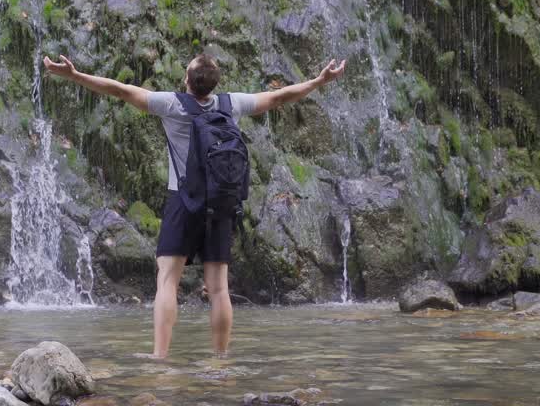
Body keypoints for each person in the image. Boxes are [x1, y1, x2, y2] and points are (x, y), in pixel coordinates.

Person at [43, 53, 347, 358]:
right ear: (215, 83)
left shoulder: (171, 105)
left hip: (183, 201)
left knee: (167, 281)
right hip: (221, 203)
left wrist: (75, 75)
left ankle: (160, 356)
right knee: (218, 289)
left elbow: (120, 90)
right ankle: (220, 360)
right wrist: (320, 80)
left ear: (187, 80)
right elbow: (280, 97)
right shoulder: (231, 105)